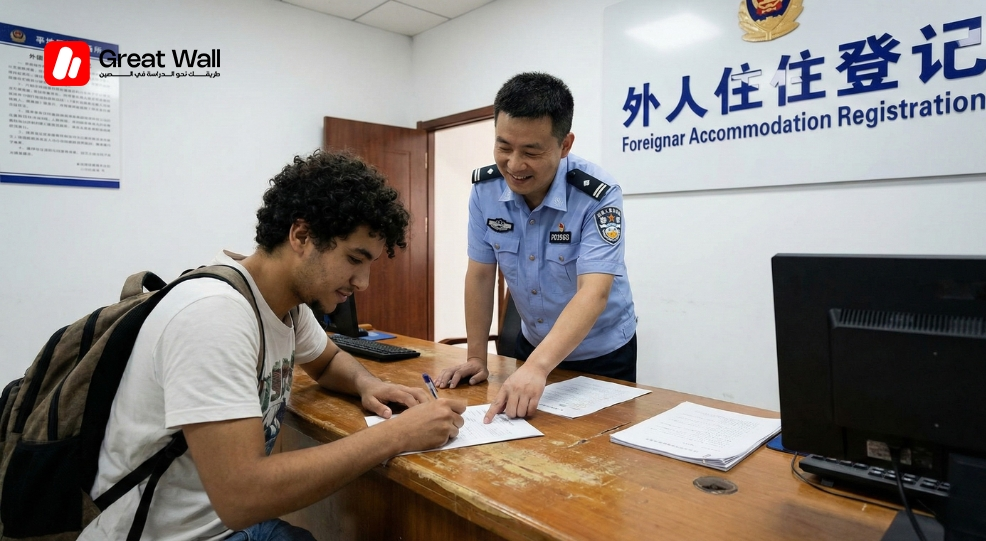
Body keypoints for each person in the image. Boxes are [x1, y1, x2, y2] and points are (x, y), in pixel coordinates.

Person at [81, 150, 465, 541]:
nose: (363, 282)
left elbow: (327, 361)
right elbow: (242, 496)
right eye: (354, 258)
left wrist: (370, 385)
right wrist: (397, 435)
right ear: (301, 236)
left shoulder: (286, 305)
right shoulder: (215, 316)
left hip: (225, 526)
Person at [437, 72, 637, 423]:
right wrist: (476, 357)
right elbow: (481, 275)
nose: (514, 165)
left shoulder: (597, 195)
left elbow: (594, 292)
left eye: (531, 151)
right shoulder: (485, 190)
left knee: (600, 446)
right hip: (531, 345)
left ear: (564, 145)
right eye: (504, 147)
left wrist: (538, 367)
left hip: (602, 353)